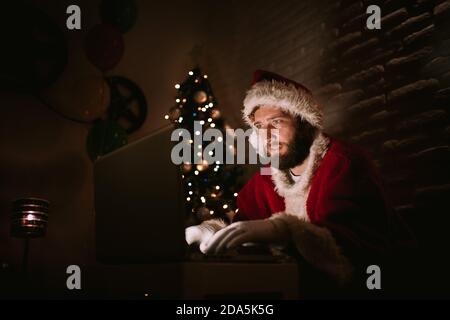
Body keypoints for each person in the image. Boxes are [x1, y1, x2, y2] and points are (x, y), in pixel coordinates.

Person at [186, 70, 409, 297]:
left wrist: (283, 230)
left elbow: (350, 251)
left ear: (304, 124)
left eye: (277, 121)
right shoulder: (266, 178)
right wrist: (214, 230)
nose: (267, 135)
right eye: (260, 126)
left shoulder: (344, 163)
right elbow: (246, 227)